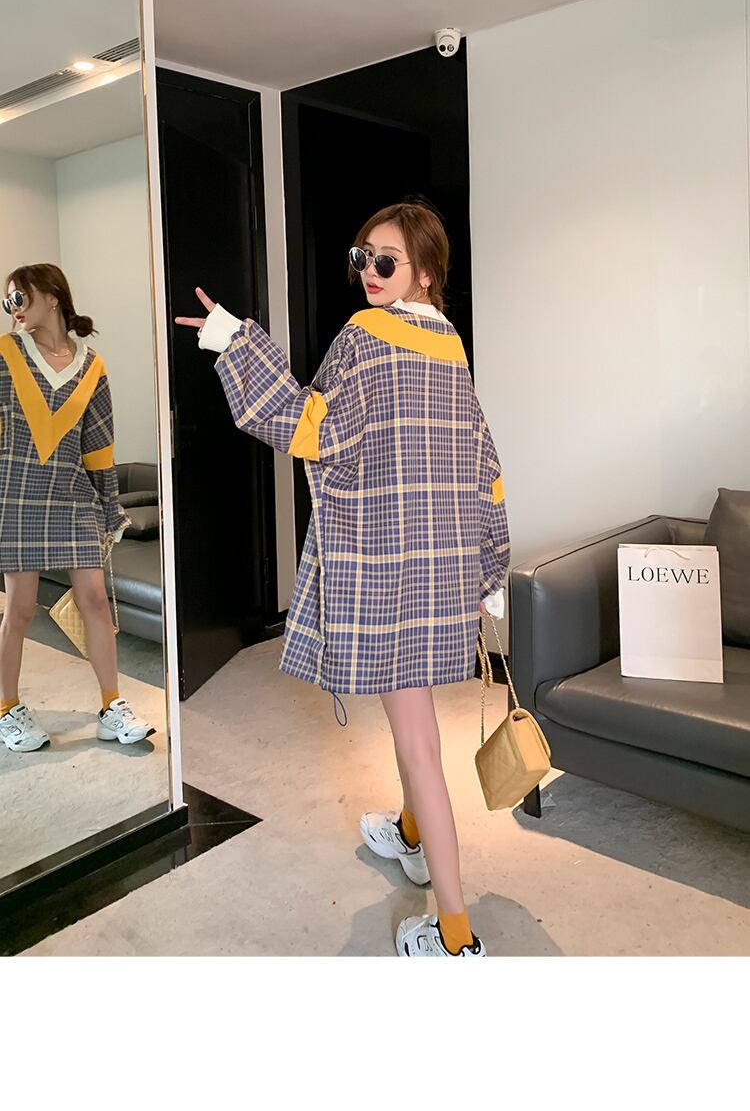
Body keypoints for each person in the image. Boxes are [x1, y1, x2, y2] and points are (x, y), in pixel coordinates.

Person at [176, 199, 509, 957]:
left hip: (388, 572)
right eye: (361, 258)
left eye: (385, 260)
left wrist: (234, 340)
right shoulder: (450, 346)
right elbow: (483, 460)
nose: (369, 272)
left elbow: (310, 425)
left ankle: (455, 933)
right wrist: (491, 558)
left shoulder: (366, 336)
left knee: (418, 741)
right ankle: (412, 836)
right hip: (441, 570)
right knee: (411, 719)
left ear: (426, 272)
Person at [0, 264, 153, 752]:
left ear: (51, 296)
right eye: (7, 301)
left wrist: (110, 508)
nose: (13, 308)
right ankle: (7, 709)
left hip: (74, 497)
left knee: (95, 600)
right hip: (16, 495)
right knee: (21, 608)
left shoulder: (92, 366)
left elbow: (99, 446)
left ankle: (112, 706)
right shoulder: (6, 354)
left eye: (19, 297)